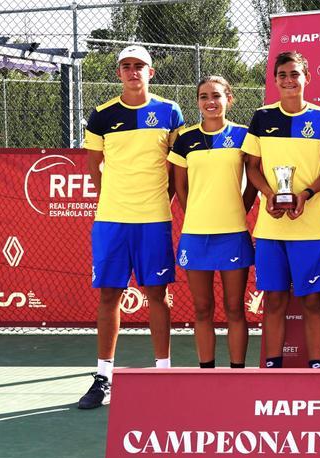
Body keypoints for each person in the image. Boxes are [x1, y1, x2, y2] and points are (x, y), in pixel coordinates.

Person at [80, 45, 185, 408]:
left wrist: (160, 199)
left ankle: (164, 373)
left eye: (139, 66)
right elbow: (94, 167)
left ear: (151, 72)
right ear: (118, 73)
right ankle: (103, 377)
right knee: (109, 295)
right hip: (111, 220)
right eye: (125, 66)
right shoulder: (101, 115)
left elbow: (176, 168)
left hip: (154, 219)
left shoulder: (170, 111)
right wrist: (114, 198)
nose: (132, 71)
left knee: (157, 295)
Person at [242, 51, 320, 369]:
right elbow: (252, 167)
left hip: (309, 226)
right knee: (274, 300)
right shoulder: (261, 117)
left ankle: (316, 367)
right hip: (271, 227)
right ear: (275, 81)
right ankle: (273, 365)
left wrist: (306, 194)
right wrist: (271, 194)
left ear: (306, 78)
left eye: (295, 74)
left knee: (312, 300)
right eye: (283, 75)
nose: (289, 80)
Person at [169, 76, 256, 369]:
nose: (210, 102)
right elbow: (179, 185)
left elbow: (254, 182)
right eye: (204, 96)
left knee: (234, 309)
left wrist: (238, 209)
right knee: (203, 309)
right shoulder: (185, 139)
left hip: (233, 233)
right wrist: (195, 211)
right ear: (197, 102)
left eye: (217, 96)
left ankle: (237, 372)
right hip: (196, 235)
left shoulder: (245, 136)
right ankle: (207, 372)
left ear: (229, 99)